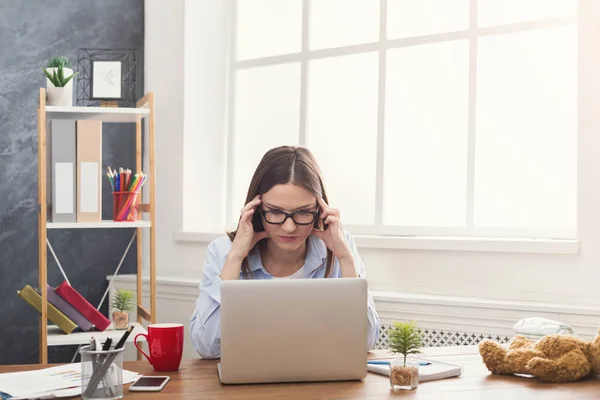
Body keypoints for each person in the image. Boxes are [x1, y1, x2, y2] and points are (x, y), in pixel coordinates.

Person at [189, 145, 380, 359]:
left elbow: (366, 342)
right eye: (276, 212)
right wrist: (235, 258)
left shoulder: (339, 248)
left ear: (319, 210)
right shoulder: (223, 251)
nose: (289, 227)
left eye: (303, 213)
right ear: (257, 209)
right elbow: (207, 348)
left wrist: (345, 259)